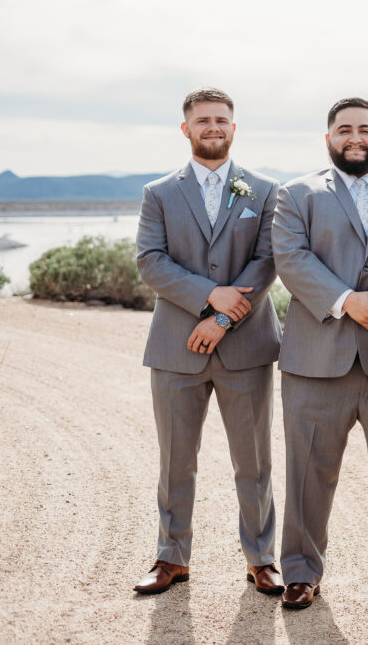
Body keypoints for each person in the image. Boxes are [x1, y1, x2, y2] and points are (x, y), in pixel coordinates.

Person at [272, 97, 368, 609]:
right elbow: (291, 259)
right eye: (344, 129)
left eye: (364, 129)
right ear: (328, 139)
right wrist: (347, 301)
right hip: (316, 360)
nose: (354, 137)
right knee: (308, 472)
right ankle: (300, 569)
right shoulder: (297, 194)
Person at [134, 87, 282, 595]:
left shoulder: (264, 191)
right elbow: (150, 260)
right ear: (186, 129)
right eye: (202, 120)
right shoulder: (159, 193)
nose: (212, 127)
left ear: (233, 128)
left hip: (246, 346)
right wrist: (208, 298)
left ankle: (261, 558)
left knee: (254, 460)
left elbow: (267, 263)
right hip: (176, 344)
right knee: (176, 459)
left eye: (221, 119)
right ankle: (171, 557)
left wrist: (220, 320)